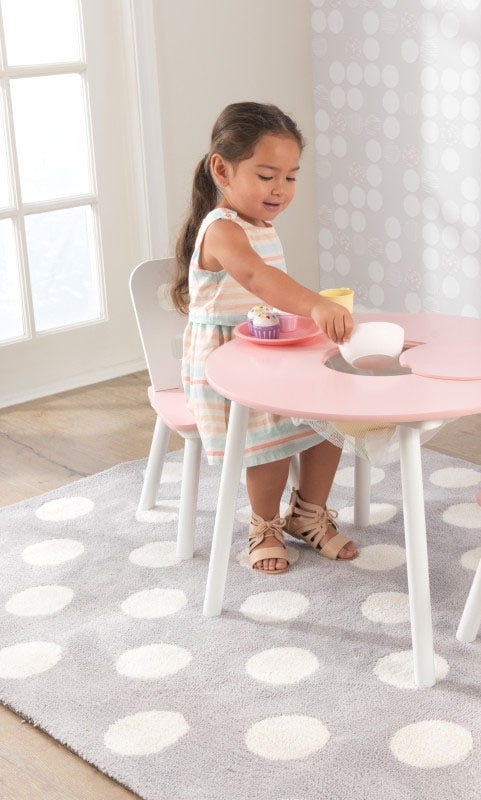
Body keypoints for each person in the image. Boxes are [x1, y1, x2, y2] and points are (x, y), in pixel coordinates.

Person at [172, 101, 357, 574]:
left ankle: (308, 513)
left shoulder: (259, 224)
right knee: (268, 434)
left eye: (290, 177)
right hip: (227, 365)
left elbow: (269, 294)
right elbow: (258, 278)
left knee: (330, 419)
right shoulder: (222, 230)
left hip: (267, 351)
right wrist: (315, 305)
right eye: (266, 175)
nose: (280, 189)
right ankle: (265, 524)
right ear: (222, 170)